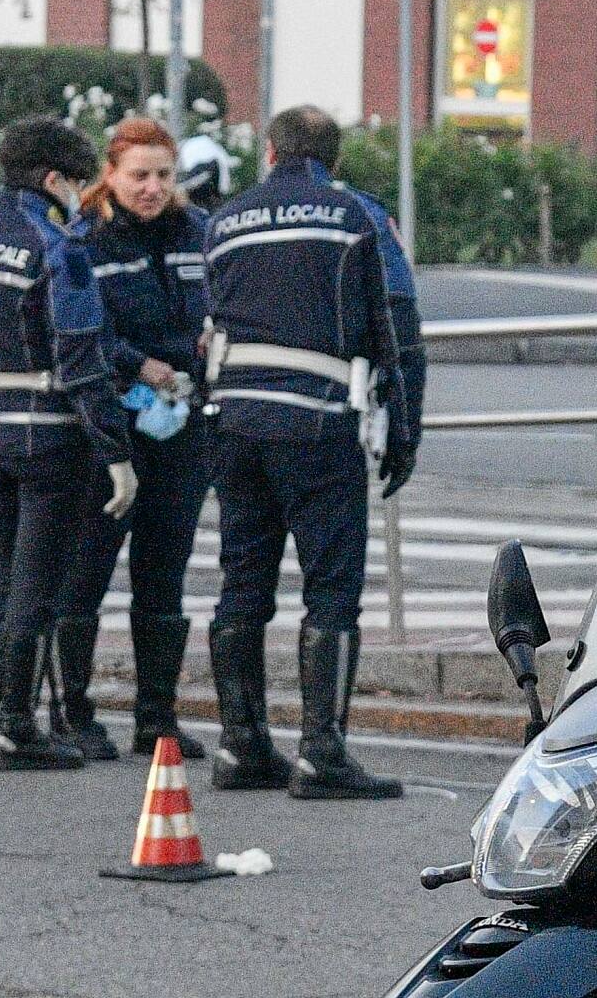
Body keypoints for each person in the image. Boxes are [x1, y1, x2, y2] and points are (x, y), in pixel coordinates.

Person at [201, 105, 424, 799]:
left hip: (233, 422)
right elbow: (396, 322)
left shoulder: (226, 220)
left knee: (243, 582)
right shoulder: (355, 215)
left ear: (269, 153)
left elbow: (206, 319)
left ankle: (241, 745)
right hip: (316, 422)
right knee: (331, 589)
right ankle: (322, 753)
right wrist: (405, 428)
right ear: (333, 159)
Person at [0, 118, 137, 771]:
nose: (82, 197)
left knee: (6, 578)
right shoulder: (60, 248)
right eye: (79, 183)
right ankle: (17, 725)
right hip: (46, 436)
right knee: (36, 586)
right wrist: (116, 452)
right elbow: (81, 357)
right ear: (54, 181)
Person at [49, 118, 216, 761]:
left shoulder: (196, 232)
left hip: (182, 422)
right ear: (109, 176)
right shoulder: (86, 236)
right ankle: (73, 714)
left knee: (163, 574)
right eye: (138, 175)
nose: (151, 188)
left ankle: (157, 717)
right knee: (85, 571)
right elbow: (79, 328)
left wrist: (204, 345)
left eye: (163, 176)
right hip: (110, 423)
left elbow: (218, 302)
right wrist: (135, 363)